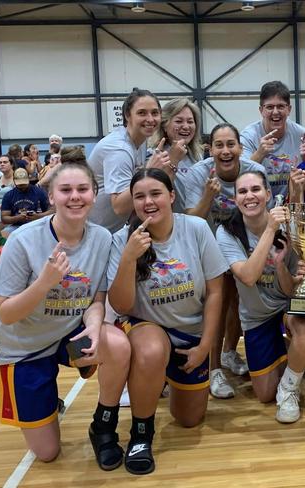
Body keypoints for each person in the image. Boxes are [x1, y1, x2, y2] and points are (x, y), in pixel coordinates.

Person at [0, 161, 130, 470]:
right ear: (51, 196)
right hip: (24, 348)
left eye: (83, 189)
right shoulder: (23, 241)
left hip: (67, 337)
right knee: (47, 452)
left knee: (118, 344)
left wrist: (95, 326)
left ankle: (104, 424)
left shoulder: (101, 239)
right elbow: (6, 312)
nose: (75, 197)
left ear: (95, 195)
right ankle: (45, 398)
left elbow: (97, 298)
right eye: (65, 190)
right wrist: (44, 283)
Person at [108, 168, 227, 475]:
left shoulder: (196, 228)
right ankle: (141, 433)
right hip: (148, 328)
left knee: (188, 420)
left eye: (156, 193)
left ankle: (158, 380)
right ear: (132, 202)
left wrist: (205, 347)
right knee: (150, 352)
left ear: (171, 197)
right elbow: (120, 304)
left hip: (190, 334)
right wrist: (128, 258)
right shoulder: (122, 240)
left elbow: (216, 292)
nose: (148, 201)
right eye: (139, 196)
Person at [217, 171, 305, 420]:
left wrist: (281, 265)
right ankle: (291, 353)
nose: (250, 196)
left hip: (284, 309)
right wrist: (271, 229)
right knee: (264, 394)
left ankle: (290, 388)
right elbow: (248, 276)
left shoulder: (289, 227)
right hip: (256, 318)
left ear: (268, 194)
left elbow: (291, 290)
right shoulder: (227, 232)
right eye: (242, 191)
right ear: (236, 199)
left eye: (256, 190)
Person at [182, 123, 266, 399]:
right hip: (206, 244)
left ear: (241, 149)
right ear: (211, 149)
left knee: (240, 299)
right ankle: (214, 367)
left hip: (241, 243)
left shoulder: (256, 173)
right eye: (219, 145)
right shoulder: (197, 173)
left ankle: (230, 352)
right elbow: (192, 218)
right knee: (218, 303)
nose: (226, 150)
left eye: (231, 144)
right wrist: (208, 195)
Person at [88, 88, 171, 234]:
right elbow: (119, 207)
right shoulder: (119, 151)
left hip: (108, 230)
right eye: (142, 113)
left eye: (155, 113)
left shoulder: (140, 140)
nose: (150, 119)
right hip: (91, 233)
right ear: (128, 115)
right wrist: (149, 171)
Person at [240, 81, 305, 200]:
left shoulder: (301, 134)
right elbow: (241, 176)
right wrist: (259, 154)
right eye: (270, 107)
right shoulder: (248, 136)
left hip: (292, 201)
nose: (275, 112)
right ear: (261, 110)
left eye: (281, 106)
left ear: (289, 109)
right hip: (258, 204)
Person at [151, 97, 203, 212]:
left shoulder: (196, 156)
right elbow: (157, 192)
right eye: (179, 121)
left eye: (190, 121)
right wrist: (173, 159)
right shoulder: (154, 156)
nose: (186, 126)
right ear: (165, 125)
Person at [0, 168, 53, 235]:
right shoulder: (9, 195)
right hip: (17, 226)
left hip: (37, 225)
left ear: (28, 180)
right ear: (14, 181)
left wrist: (37, 216)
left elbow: (52, 211)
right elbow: (4, 218)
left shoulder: (39, 192)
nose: (22, 186)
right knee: (4, 233)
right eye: (20, 184)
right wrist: (18, 218)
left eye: (24, 184)